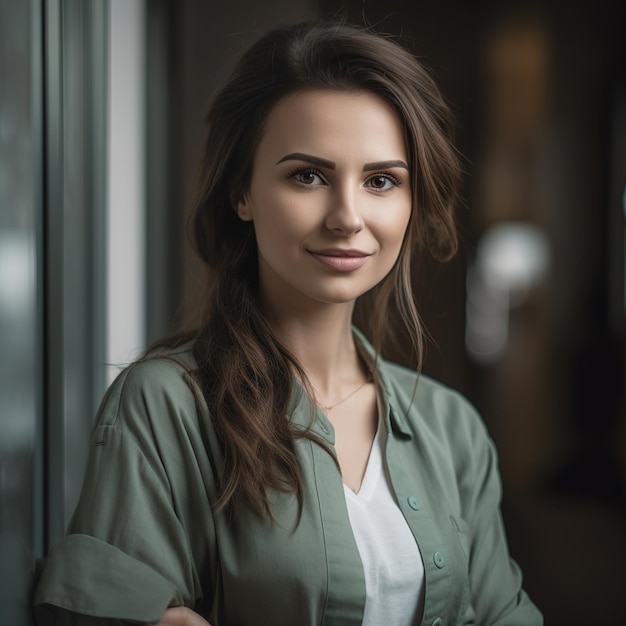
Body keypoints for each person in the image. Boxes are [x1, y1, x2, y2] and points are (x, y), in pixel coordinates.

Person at [33, 20, 543, 626]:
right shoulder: (166, 405)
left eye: (381, 181)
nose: (348, 217)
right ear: (241, 192)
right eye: (308, 176)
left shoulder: (452, 429)